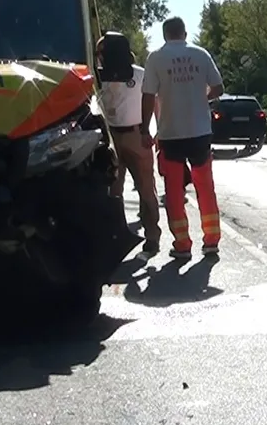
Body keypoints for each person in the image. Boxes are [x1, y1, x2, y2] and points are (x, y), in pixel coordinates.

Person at [141, 16, 224, 260]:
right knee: (205, 187)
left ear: (165, 34)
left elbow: (148, 95)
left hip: (171, 134)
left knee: (175, 191)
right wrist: (200, 98)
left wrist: (144, 129)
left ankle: (182, 243)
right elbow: (218, 88)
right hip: (200, 132)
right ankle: (211, 241)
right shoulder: (201, 54)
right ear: (185, 33)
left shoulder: (156, 58)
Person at [95, 32, 162, 255]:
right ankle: (147, 236)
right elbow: (156, 102)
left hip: (117, 137)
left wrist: (154, 130)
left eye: (102, 52)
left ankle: (146, 235)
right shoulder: (140, 75)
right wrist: (155, 129)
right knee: (139, 188)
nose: (100, 56)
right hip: (131, 135)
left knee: (126, 190)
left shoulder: (99, 77)